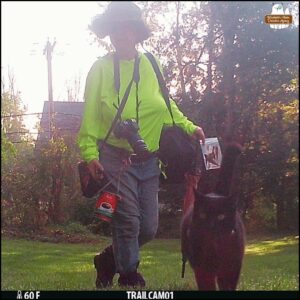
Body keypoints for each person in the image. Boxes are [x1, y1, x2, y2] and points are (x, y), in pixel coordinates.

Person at [77, 1, 205, 289]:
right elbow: (89, 117)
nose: (120, 34)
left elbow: (166, 103)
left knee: (148, 227)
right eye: (114, 29)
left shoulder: (151, 64)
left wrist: (189, 126)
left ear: (136, 32)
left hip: (149, 160)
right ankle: (130, 276)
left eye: (126, 28)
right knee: (128, 222)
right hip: (113, 157)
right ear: (109, 33)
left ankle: (107, 260)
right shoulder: (100, 69)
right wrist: (88, 154)